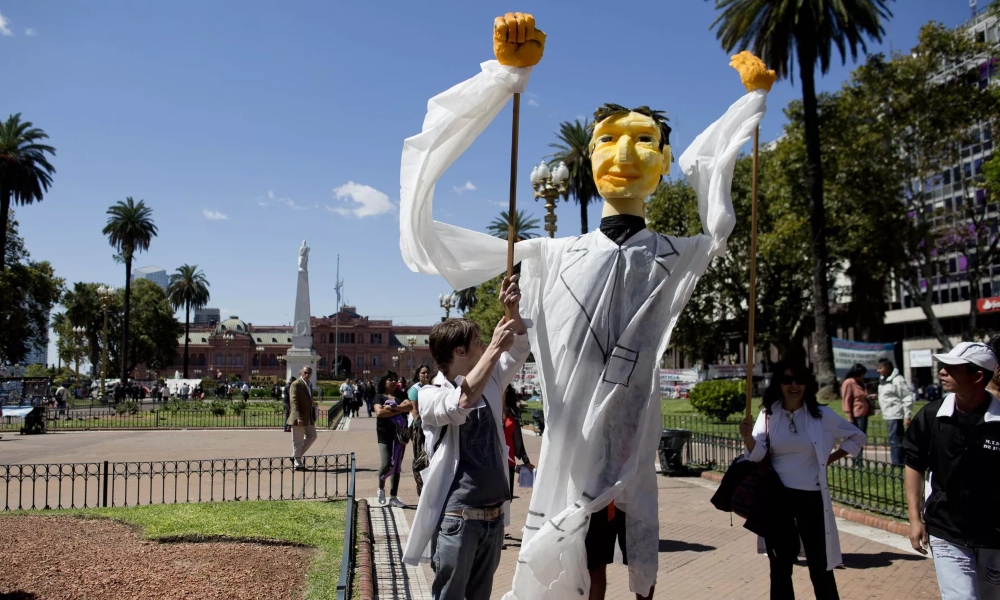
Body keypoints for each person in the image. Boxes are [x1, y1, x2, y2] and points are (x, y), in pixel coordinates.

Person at [398, 13, 773, 599]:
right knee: (583, 561)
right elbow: (429, 239)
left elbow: (720, 220)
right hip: (570, 452)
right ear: (590, 160)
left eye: (645, 140)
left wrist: (748, 108)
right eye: (609, 139)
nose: (626, 152)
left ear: (666, 161)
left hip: (636, 441)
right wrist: (505, 77)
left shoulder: (677, 254)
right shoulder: (551, 254)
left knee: (640, 552)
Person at [402, 275, 528, 600]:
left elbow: (520, 349)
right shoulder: (430, 394)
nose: (485, 345)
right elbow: (459, 404)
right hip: (459, 519)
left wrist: (511, 310)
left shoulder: (491, 379)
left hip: (494, 517)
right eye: (478, 342)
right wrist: (497, 348)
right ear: (460, 350)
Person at [739, 360, 866, 600]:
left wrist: (827, 459)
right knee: (780, 567)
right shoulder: (769, 414)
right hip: (778, 499)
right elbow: (757, 454)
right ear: (779, 384)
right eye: (787, 380)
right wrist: (748, 438)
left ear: (808, 384)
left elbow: (857, 437)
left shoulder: (822, 416)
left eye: (799, 380)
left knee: (820, 566)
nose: (794, 386)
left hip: (812, 499)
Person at [903, 342, 1000, 600]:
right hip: (946, 530)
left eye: (952, 368)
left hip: (993, 536)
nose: (943, 372)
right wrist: (915, 519)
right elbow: (914, 464)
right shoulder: (931, 415)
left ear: (977, 376)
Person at [373, 371, 411, 507]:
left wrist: (394, 407)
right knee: (386, 462)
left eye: (395, 379)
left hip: (400, 434)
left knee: (397, 465)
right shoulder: (379, 396)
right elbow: (379, 412)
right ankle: (381, 488)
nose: (394, 382)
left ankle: (394, 497)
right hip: (384, 434)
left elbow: (410, 406)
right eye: (391, 380)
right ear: (384, 382)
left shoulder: (401, 395)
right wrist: (400, 410)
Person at [876, 358, 912, 465]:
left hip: (895, 414)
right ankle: (900, 461)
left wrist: (907, 415)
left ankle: (898, 463)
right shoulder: (883, 380)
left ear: (888, 368)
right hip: (888, 414)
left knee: (895, 440)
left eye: (880, 368)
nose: (878, 370)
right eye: (877, 368)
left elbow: (906, 397)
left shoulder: (898, 380)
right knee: (895, 439)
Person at [503, 385, 532, 500]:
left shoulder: (512, 414)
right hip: (493, 464)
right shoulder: (489, 412)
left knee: (508, 498)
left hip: (509, 463)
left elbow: (518, 441)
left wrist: (526, 461)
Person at [840, 363, 871, 464]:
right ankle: (857, 460)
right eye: (862, 374)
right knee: (857, 437)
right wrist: (849, 416)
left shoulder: (860, 382)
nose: (863, 376)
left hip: (864, 412)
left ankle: (859, 458)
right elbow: (846, 399)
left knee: (862, 437)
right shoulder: (849, 382)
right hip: (856, 414)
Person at [409, 364, 432, 496]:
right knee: (420, 456)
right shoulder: (415, 389)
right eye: (423, 373)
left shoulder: (432, 388)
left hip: (429, 425)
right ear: (418, 374)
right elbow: (414, 410)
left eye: (428, 372)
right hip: (418, 427)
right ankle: (420, 486)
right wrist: (420, 425)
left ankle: (428, 485)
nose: (425, 375)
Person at [287, 367, 317, 470]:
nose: (307, 374)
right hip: (298, 417)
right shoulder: (296, 384)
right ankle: (298, 463)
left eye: (309, 373)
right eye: (305, 372)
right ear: (301, 372)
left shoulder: (309, 384)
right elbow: (294, 402)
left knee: (312, 436)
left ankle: (294, 456)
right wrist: (298, 417)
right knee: (298, 441)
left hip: (308, 416)